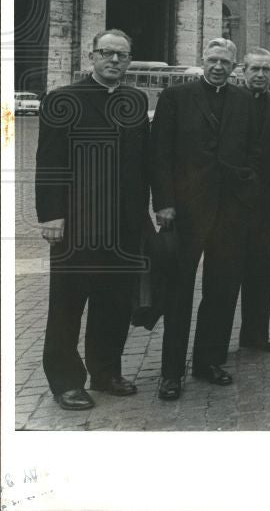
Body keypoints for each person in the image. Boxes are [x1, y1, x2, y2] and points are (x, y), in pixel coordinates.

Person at [36, 29, 150, 411]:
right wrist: (51, 215)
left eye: (122, 55)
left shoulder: (136, 99)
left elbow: (141, 164)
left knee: (114, 303)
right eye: (107, 53)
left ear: (130, 60)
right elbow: (49, 162)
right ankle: (66, 381)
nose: (114, 60)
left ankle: (105, 371)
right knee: (68, 305)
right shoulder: (63, 99)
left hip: (122, 223)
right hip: (77, 223)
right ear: (92, 56)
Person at [151, 38, 260, 400]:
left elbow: (253, 151)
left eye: (225, 62)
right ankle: (171, 372)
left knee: (223, 290)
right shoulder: (175, 97)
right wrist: (164, 203)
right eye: (213, 60)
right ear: (203, 61)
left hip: (230, 211)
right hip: (185, 210)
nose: (218, 66)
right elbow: (160, 155)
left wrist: (246, 191)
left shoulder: (245, 101)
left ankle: (208, 361)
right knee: (178, 291)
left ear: (234, 67)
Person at [237, 49, 270, 353]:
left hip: (267, 199)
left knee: (261, 268)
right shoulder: (230, 101)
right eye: (255, 69)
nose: (260, 75)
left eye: (266, 70)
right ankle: (215, 343)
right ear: (244, 70)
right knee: (226, 274)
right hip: (232, 200)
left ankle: (256, 334)